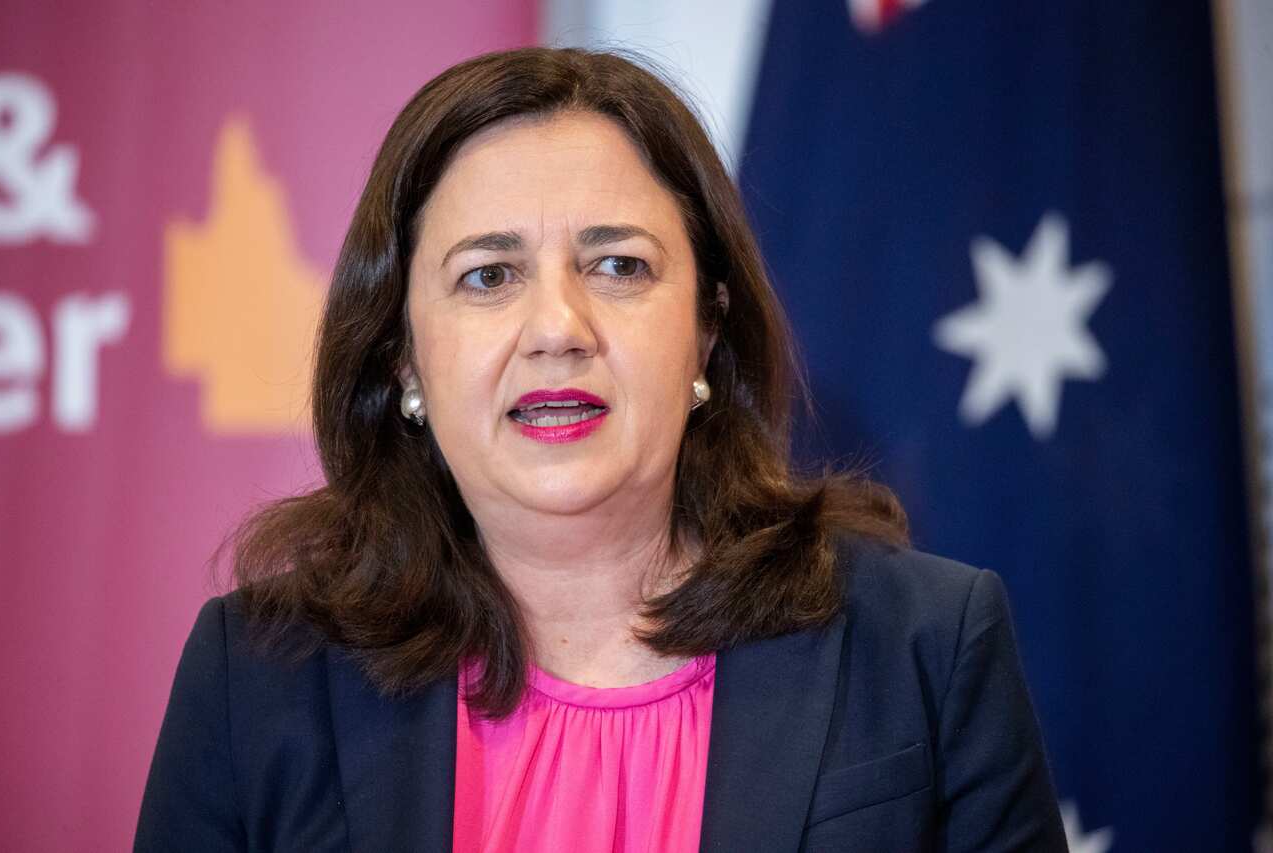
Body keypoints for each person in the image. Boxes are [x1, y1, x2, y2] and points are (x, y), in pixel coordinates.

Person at [134, 47, 1066, 852]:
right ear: (402, 356)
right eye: (488, 275)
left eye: (618, 265)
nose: (558, 327)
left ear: (706, 329)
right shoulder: (258, 677)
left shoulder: (925, 646)